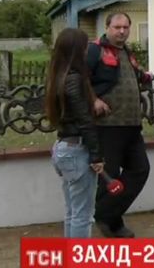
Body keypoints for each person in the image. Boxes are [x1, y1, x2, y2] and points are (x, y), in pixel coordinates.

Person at [87, 12, 151, 238]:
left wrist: (144, 76)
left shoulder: (127, 52)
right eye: (117, 27)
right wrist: (93, 99)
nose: (121, 31)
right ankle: (113, 223)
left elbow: (129, 76)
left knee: (140, 170)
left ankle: (104, 213)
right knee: (110, 175)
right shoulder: (94, 50)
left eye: (125, 27)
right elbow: (78, 78)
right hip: (107, 126)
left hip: (132, 125)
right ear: (107, 27)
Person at [45, 28, 105, 237]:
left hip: (62, 148)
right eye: (85, 46)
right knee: (83, 215)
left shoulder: (57, 76)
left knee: (72, 212)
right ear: (76, 50)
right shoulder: (75, 78)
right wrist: (97, 155)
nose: (88, 50)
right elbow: (84, 120)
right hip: (77, 150)